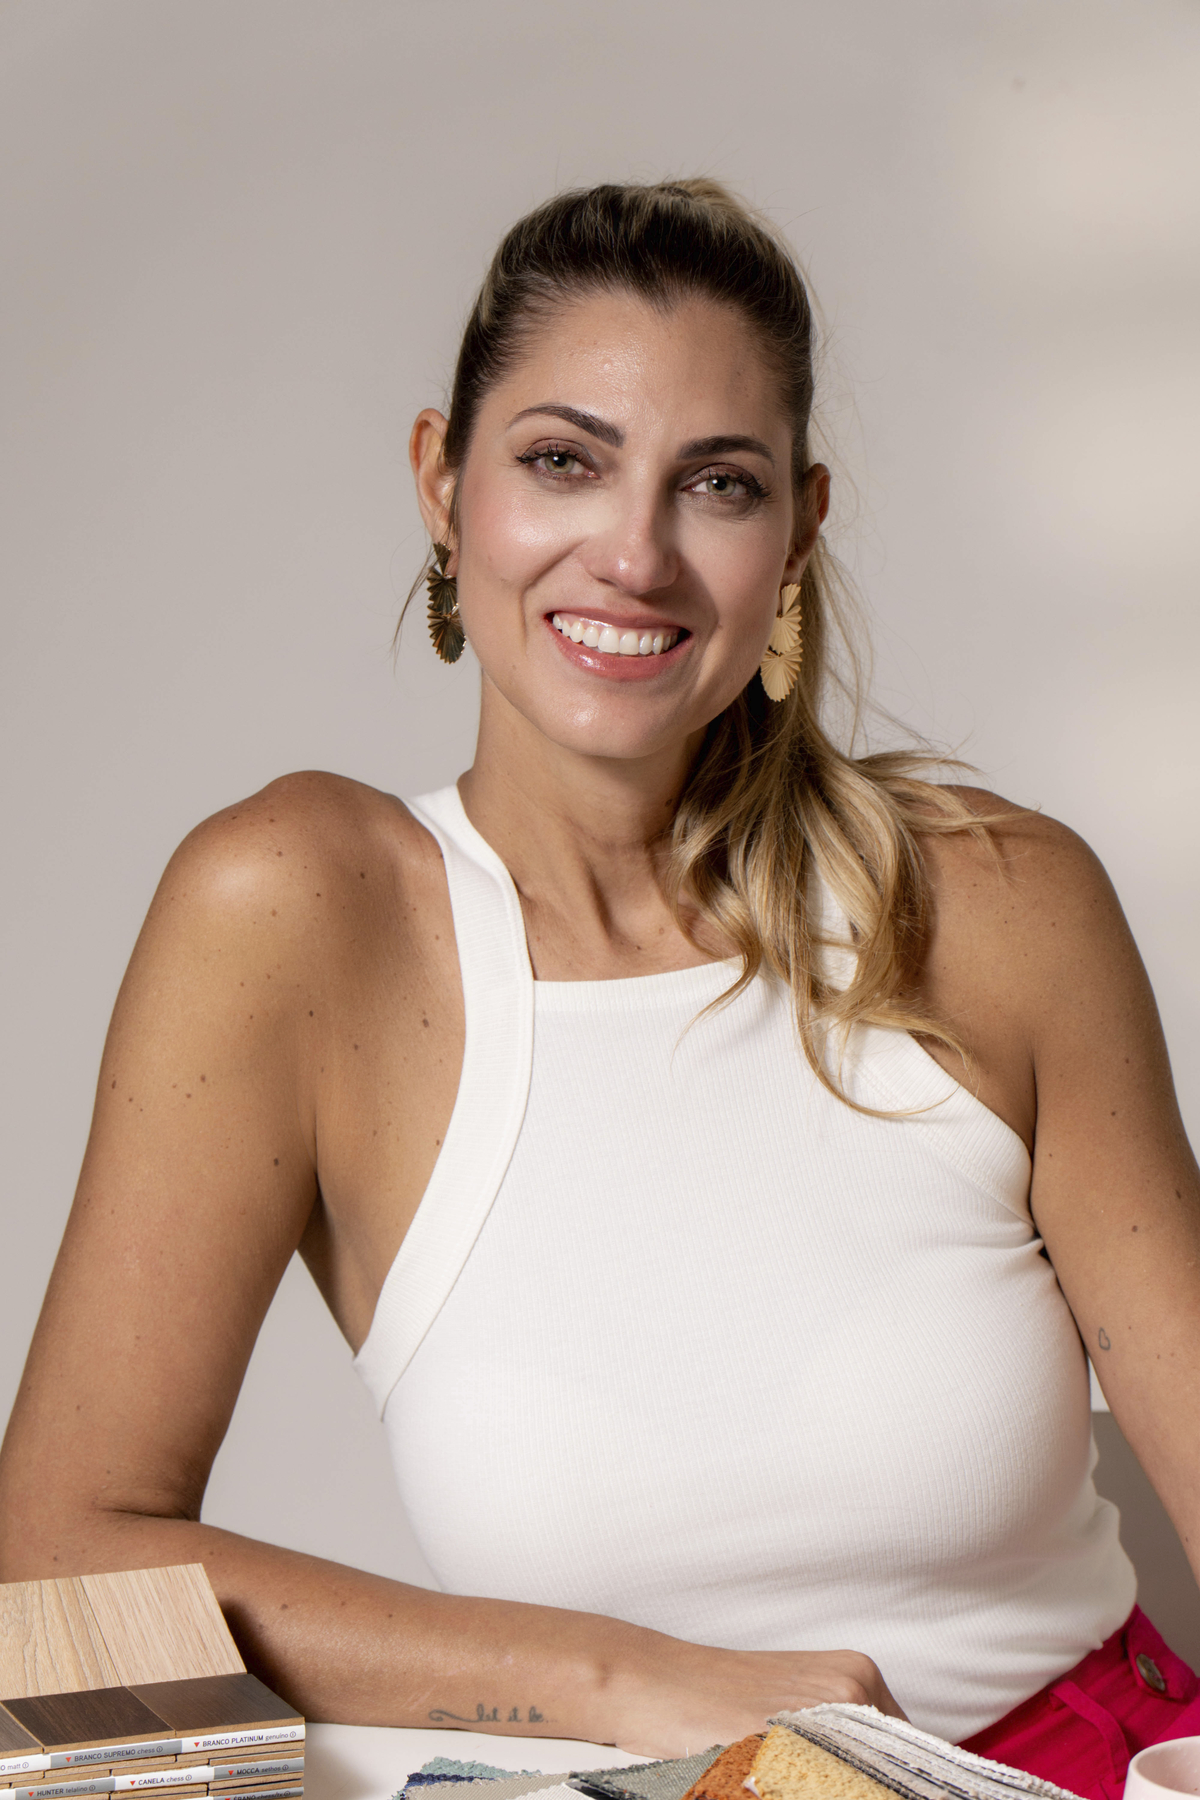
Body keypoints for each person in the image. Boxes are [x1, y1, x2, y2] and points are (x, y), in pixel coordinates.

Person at [1, 180, 1197, 1797]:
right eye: (564, 460)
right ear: (444, 482)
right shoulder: (299, 913)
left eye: (718, 485)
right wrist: (628, 1684)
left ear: (799, 533)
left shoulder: (998, 904)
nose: (634, 554)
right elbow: (52, 1574)